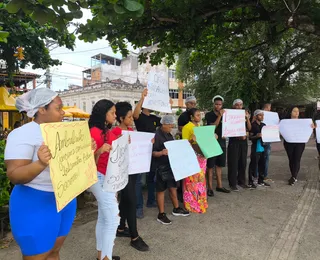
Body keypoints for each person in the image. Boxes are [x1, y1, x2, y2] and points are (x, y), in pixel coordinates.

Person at [4, 88, 77, 260]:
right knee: (38, 255)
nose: (63, 112)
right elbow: (14, 175)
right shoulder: (22, 134)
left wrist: (89, 152)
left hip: (64, 198)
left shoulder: (64, 131)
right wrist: (40, 163)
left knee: (54, 251)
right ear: (42, 110)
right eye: (58, 108)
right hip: (35, 201)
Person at [112, 101, 149, 252]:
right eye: (129, 117)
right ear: (121, 118)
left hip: (133, 171)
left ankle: (121, 228)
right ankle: (134, 237)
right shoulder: (114, 133)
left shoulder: (130, 131)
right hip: (122, 173)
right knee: (131, 201)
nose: (132, 119)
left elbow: (138, 147)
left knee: (126, 200)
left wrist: (148, 143)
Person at [89, 100, 120, 260]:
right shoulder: (94, 132)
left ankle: (101, 255)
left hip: (106, 176)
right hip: (99, 177)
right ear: (103, 114)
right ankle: (105, 257)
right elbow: (86, 162)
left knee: (104, 217)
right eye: (112, 113)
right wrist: (99, 151)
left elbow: (119, 139)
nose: (115, 116)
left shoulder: (106, 130)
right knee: (113, 219)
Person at [153, 115, 189, 225]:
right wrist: (161, 153)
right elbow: (153, 153)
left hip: (171, 165)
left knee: (173, 187)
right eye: (170, 124)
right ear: (164, 124)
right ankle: (161, 214)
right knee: (161, 190)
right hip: (161, 167)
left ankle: (176, 208)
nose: (172, 126)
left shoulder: (169, 134)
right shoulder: (157, 136)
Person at [133, 88, 161, 218]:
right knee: (139, 180)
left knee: (152, 177)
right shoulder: (139, 116)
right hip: (140, 151)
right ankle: (138, 207)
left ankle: (151, 200)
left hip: (152, 150)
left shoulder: (155, 118)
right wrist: (142, 97)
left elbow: (166, 119)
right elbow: (135, 115)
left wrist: (169, 104)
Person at [182, 108, 209, 213]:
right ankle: (191, 204)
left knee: (201, 180)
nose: (199, 117)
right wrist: (190, 140)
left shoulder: (199, 127)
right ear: (192, 117)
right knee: (191, 180)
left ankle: (201, 201)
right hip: (192, 156)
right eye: (197, 115)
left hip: (201, 156)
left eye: (200, 115)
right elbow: (183, 144)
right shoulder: (187, 127)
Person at [205, 95, 230, 196]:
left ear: (222, 105)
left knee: (219, 165)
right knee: (210, 166)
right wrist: (219, 116)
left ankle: (219, 186)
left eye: (220, 105)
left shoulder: (227, 115)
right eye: (216, 104)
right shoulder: (209, 115)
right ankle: (210, 187)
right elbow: (212, 127)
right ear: (213, 104)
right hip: (211, 142)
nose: (218, 106)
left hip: (222, 142)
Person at [283, 107, 314, 186]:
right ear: (290, 112)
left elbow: (308, 129)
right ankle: (293, 175)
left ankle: (294, 176)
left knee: (297, 159)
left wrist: (312, 127)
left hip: (300, 142)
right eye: (294, 111)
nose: (296, 113)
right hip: (289, 142)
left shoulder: (303, 121)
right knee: (291, 159)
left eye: (298, 111)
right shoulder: (285, 121)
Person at [227, 99, 252, 191]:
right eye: (237, 105)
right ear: (233, 106)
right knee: (233, 163)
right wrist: (237, 135)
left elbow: (249, 128)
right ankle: (232, 183)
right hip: (234, 142)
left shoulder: (244, 115)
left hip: (243, 142)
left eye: (240, 105)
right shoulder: (229, 115)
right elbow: (228, 128)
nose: (239, 107)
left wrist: (247, 118)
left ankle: (241, 181)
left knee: (243, 162)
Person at [248, 110, 271, 188]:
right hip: (255, 147)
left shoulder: (264, 125)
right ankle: (251, 181)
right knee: (253, 164)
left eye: (263, 115)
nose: (262, 117)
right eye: (260, 115)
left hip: (263, 147)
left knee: (262, 164)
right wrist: (256, 136)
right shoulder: (253, 125)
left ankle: (260, 180)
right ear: (256, 116)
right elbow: (250, 137)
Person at [262, 103, 273, 182]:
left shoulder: (271, 116)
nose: (269, 109)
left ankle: (264, 175)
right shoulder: (261, 115)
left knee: (265, 158)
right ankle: (263, 175)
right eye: (269, 108)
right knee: (265, 158)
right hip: (264, 138)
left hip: (268, 138)